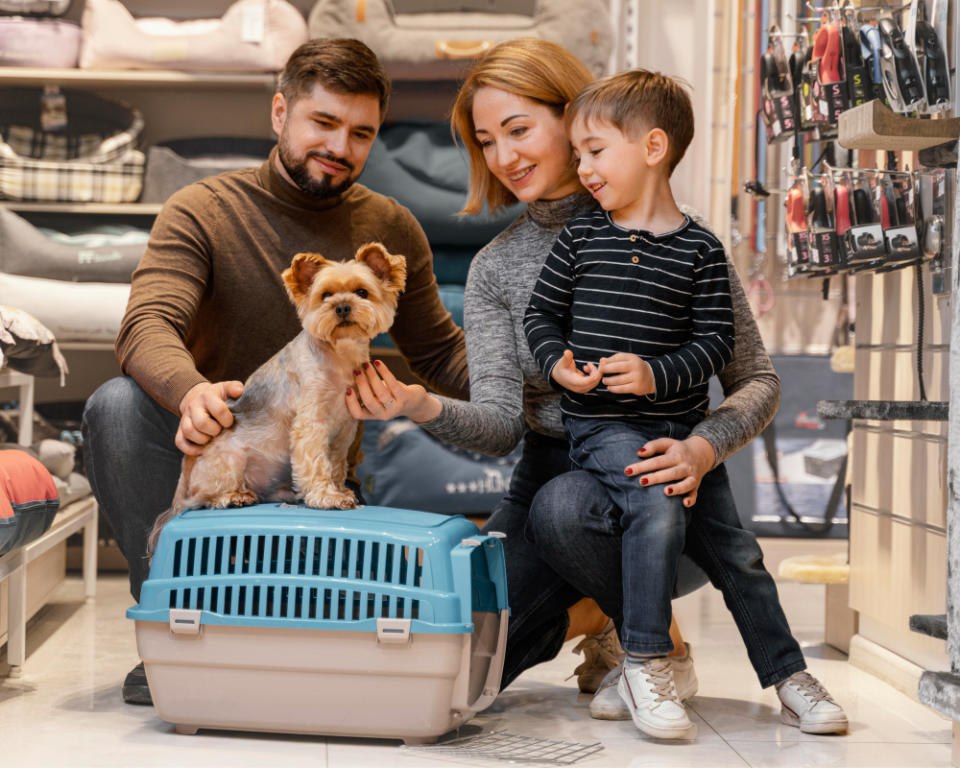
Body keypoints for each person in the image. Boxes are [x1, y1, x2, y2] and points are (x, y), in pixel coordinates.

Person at [346, 38, 848, 736]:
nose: (504, 157)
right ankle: (600, 618)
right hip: (554, 464)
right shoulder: (497, 268)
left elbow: (754, 379)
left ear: (574, 114)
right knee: (464, 662)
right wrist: (416, 404)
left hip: (668, 475)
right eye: (487, 141)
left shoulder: (675, 237)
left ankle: (657, 646)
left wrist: (704, 449)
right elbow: (498, 426)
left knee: (563, 508)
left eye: (519, 130)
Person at [81, 38, 469, 705]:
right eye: (322, 123)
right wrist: (192, 392)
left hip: (322, 458)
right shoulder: (203, 208)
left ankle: (289, 602)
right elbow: (146, 326)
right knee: (115, 404)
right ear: (279, 112)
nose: (341, 146)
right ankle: (177, 623)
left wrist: (538, 385)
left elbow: (440, 355)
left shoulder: (390, 224)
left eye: (361, 133)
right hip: (214, 443)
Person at [523, 69, 845, 740]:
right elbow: (541, 315)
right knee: (652, 500)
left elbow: (715, 345)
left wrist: (657, 376)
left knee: (740, 555)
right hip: (603, 426)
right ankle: (647, 660)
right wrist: (557, 362)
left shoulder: (700, 251)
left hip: (680, 428)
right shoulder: (581, 240)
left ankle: (789, 676)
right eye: (578, 153)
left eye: (594, 150)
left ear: (653, 148)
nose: (581, 166)